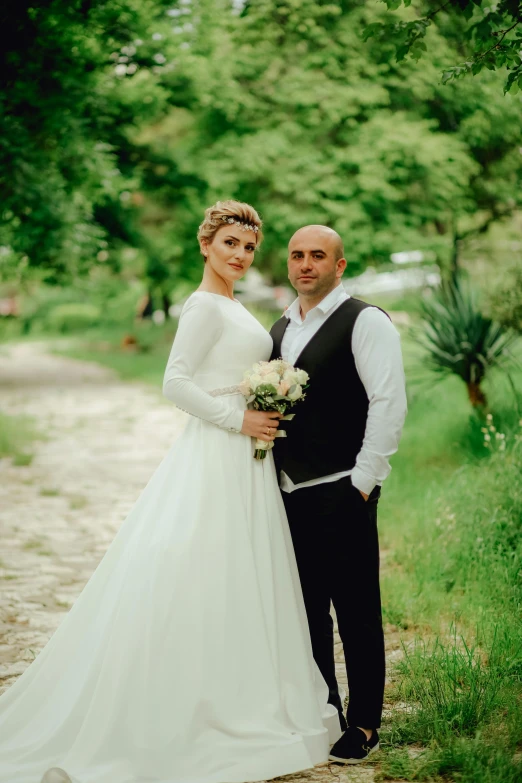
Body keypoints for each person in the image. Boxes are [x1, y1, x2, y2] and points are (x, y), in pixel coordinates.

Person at [0, 202, 341, 783]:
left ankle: (243, 689)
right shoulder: (204, 307)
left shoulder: (234, 305)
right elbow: (175, 383)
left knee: (242, 573)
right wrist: (239, 421)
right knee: (200, 565)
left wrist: (265, 401)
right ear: (206, 245)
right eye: (230, 243)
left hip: (248, 460)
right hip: (216, 451)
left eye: (249, 248)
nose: (240, 255)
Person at [270, 225, 407, 764]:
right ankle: (325, 709)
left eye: (318, 256)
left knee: (355, 610)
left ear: (340, 264)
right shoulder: (281, 327)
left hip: (344, 487)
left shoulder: (365, 321)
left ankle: (366, 724)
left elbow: (388, 401)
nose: (306, 264)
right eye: (298, 255)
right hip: (287, 491)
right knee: (305, 611)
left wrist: (364, 481)